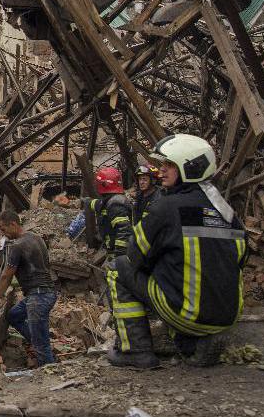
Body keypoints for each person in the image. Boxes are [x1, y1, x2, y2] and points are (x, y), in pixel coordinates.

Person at [108, 133, 248, 369]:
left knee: (118, 268)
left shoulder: (166, 207)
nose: (161, 171)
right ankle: (190, 343)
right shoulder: (226, 212)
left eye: (169, 165)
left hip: (187, 313)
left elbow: (135, 255)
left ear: (189, 168)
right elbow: (241, 259)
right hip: (228, 316)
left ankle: (135, 350)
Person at [0, 209, 58, 366]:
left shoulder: (17, 245)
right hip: (46, 292)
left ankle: (50, 370)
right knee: (13, 315)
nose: (4, 234)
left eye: (4, 229)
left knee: (40, 345)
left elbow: (6, 276)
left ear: (13, 224)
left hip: (38, 297)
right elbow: (38, 264)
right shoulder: (36, 238)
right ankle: (39, 339)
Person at [55, 166, 132, 260]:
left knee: (113, 274)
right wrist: (72, 202)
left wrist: (119, 257)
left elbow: (124, 232)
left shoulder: (116, 206)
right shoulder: (109, 201)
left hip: (118, 254)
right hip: (112, 249)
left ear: (103, 184)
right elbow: (93, 203)